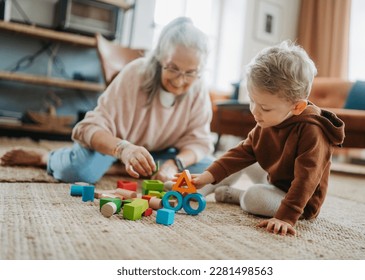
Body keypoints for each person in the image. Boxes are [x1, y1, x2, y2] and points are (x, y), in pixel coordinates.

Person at [0, 17, 214, 184]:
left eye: (190, 73)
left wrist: (174, 164)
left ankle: (125, 168)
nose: (179, 80)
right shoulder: (135, 74)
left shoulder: (197, 90)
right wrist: (124, 150)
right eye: (173, 68)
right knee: (77, 171)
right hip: (115, 147)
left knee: (214, 170)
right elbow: (87, 128)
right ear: (159, 58)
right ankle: (46, 158)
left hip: (159, 155)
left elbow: (199, 143)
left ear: (201, 71)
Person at [191, 40, 345, 236]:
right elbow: (243, 152)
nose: (255, 112)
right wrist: (208, 175)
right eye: (252, 101)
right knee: (240, 159)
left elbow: (306, 179)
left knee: (254, 196)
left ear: (297, 107)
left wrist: (286, 217)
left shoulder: (313, 131)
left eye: (264, 107)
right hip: (275, 179)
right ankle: (201, 189)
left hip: (300, 202)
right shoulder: (269, 119)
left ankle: (238, 196)